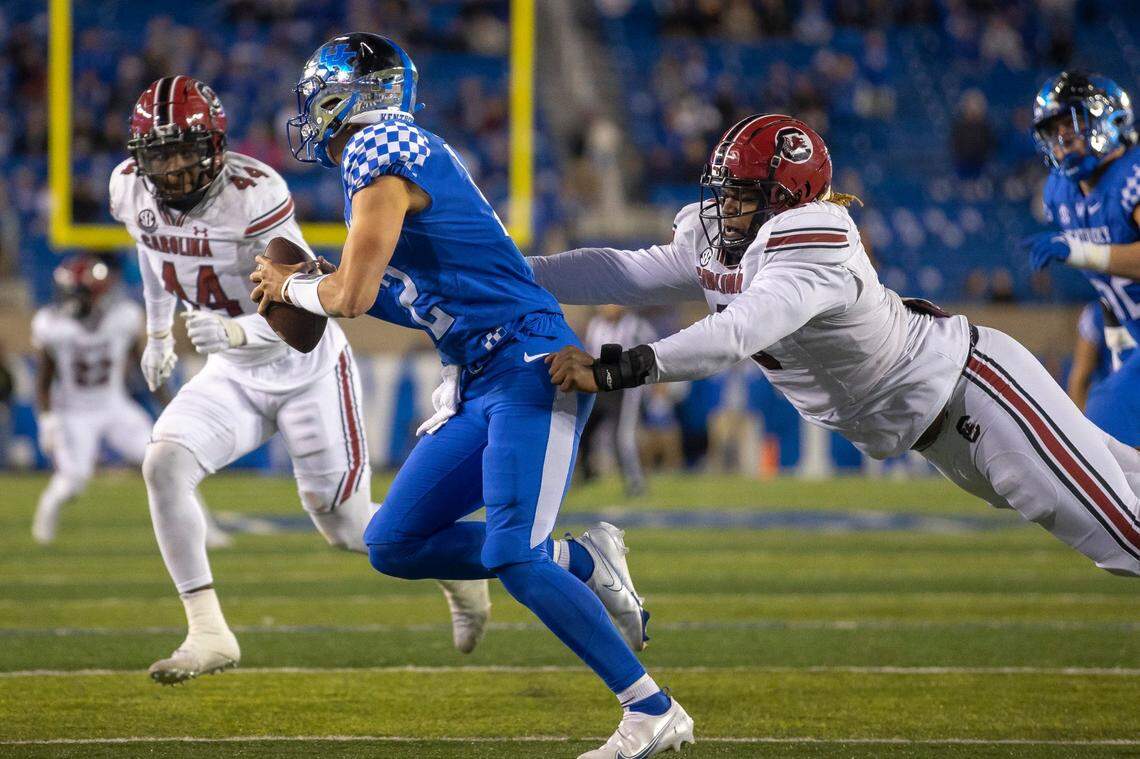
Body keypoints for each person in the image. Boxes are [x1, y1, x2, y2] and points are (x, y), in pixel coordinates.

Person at [252, 34, 692, 758]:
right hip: (483, 377)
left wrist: (297, 285)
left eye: (321, 95)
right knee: (393, 542)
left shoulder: (377, 151)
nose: (311, 112)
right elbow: (418, 299)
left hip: (531, 365)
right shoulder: (396, 154)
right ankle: (584, 561)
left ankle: (651, 708)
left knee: (514, 555)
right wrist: (325, 277)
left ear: (356, 96)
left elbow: (354, 298)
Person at [538, 113, 1140, 583]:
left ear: (786, 196)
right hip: (939, 432)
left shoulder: (814, 238)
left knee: (1122, 539)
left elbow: (736, 333)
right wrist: (516, 269)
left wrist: (618, 369)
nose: (726, 208)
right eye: (725, 192)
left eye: (744, 194)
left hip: (978, 395)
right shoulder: (723, 239)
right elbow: (620, 271)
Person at [111, 75, 489, 685]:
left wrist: (237, 332)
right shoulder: (128, 189)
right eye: (162, 154)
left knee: (345, 527)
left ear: (216, 145)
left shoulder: (255, 194)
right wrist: (159, 333)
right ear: (140, 157)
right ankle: (208, 631)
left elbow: (305, 311)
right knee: (164, 463)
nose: (175, 168)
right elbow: (152, 253)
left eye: (187, 151)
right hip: (232, 374)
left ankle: (454, 568)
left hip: (304, 367)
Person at [1022, 71, 1140, 449]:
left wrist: (1079, 252)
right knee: (1100, 443)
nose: (1063, 140)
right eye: (1053, 131)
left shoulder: (1132, 175)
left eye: (1073, 124)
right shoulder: (1061, 194)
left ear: (1110, 120)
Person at [30, 255, 159, 544]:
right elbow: (43, 379)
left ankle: (206, 531)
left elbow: (143, 365)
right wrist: (47, 421)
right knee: (73, 482)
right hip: (74, 411)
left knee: (163, 461)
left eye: (72, 293)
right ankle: (47, 512)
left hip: (114, 404)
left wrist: (169, 402)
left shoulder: (122, 317)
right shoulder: (53, 326)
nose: (65, 300)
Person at [580, 305, 656, 495]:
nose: (607, 308)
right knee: (583, 430)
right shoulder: (595, 325)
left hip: (626, 387)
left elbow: (652, 357)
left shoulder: (637, 326)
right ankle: (587, 475)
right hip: (599, 384)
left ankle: (635, 482)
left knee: (623, 437)